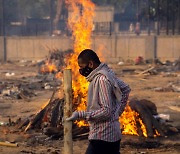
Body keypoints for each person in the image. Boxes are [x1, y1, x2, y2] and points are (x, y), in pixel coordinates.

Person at [66, 49, 131, 154]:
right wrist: (117, 112)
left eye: (82, 67)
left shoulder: (101, 80)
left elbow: (106, 111)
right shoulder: (107, 73)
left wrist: (79, 114)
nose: (81, 71)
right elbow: (125, 88)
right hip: (112, 134)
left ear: (91, 64)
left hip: (103, 136)